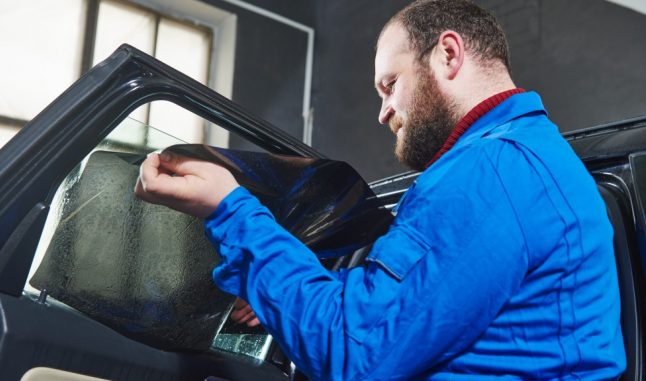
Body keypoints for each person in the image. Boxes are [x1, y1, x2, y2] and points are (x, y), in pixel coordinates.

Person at [135, 0, 626, 379]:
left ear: (448, 54)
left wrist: (230, 207)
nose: (383, 111)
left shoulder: (489, 174)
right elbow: (403, 304)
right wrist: (280, 293)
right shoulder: (524, 158)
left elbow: (357, 352)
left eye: (390, 84)